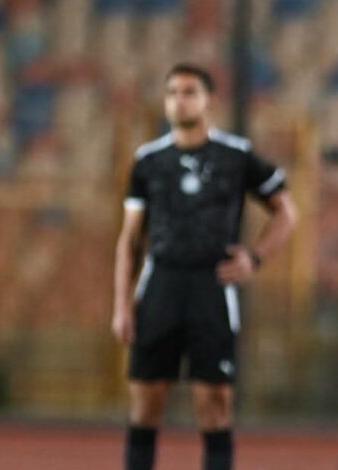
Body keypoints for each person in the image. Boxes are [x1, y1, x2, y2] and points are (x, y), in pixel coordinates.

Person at [111, 63, 297, 470]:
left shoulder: (236, 155)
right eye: (173, 92)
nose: (180, 100)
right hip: (160, 285)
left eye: (189, 92)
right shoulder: (148, 161)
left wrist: (255, 257)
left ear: (209, 100)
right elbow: (130, 239)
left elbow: (286, 211)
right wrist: (122, 305)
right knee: (145, 403)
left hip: (212, 286)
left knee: (215, 403)